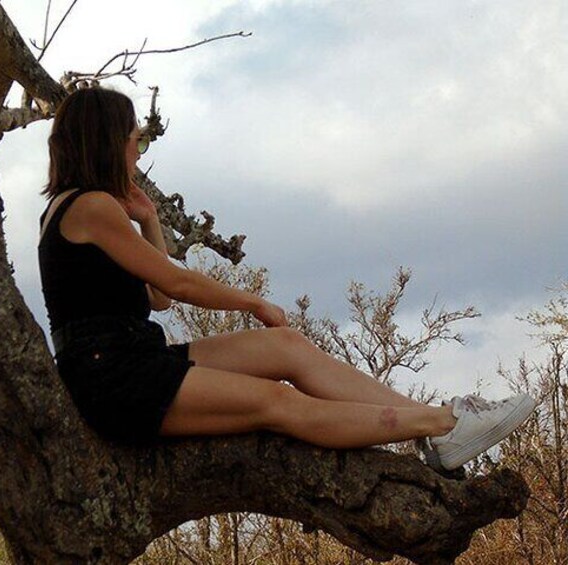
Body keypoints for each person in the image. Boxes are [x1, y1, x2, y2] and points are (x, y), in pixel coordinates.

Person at [37, 86, 535, 471]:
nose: (139, 152)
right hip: (113, 380)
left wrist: (147, 218)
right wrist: (251, 301)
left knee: (287, 347)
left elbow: (159, 299)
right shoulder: (90, 206)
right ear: (107, 142)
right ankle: (443, 422)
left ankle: (437, 430)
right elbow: (181, 285)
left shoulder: (94, 209)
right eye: (134, 140)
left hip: (133, 356)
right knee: (278, 403)